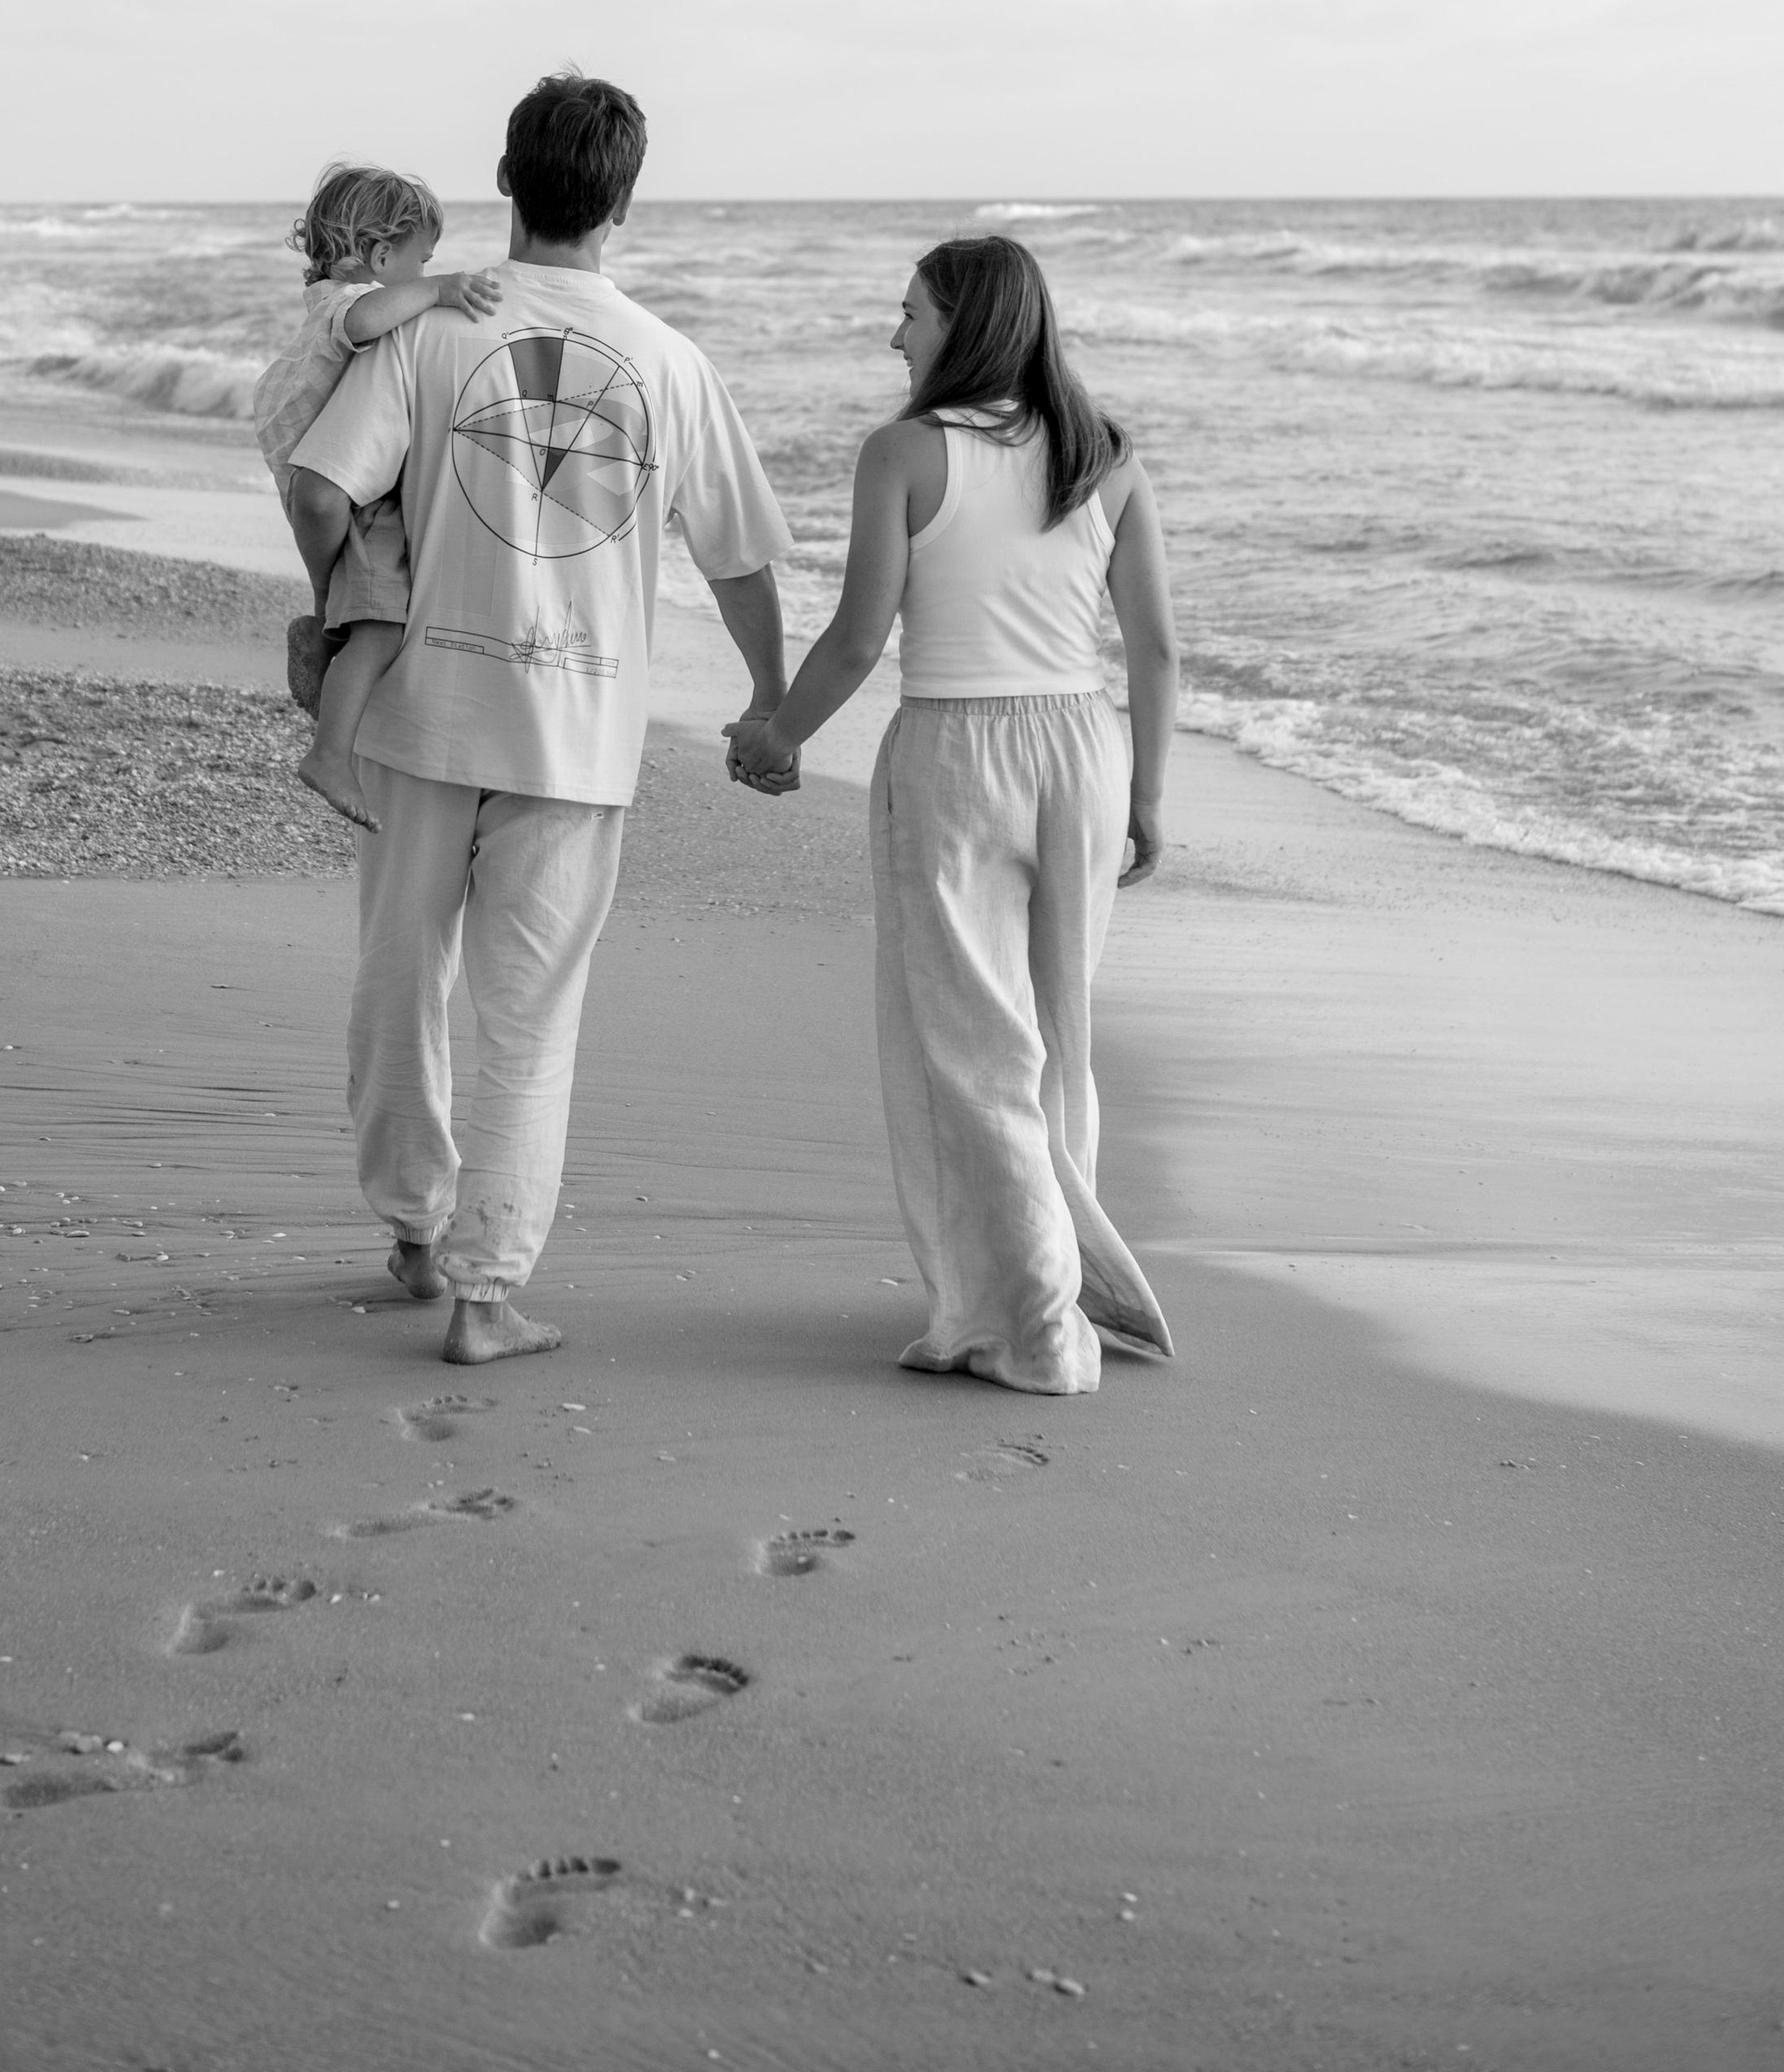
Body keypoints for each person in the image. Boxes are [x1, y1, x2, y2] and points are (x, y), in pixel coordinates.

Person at [286, 72, 795, 1367]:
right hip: (576, 734)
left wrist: (333, 609)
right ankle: (486, 1295)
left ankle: (413, 1232)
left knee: (400, 978)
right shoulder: (673, 363)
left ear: (506, 180)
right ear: (624, 202)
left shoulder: (428, 330)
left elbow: (324, 483)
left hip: (417, 712)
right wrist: (770, 697)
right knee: (530, 1018)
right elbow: (739, 561)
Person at [727, 232, 1176, 1396]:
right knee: (1058, 1038)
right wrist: (1146, 795)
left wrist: (778, 736)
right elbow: (1156, 648)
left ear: (962, 324)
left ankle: (1034, 1322)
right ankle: (1057, 1283)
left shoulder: (905, 453)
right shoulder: (1105, 453)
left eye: (912, 312)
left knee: (974, 1047)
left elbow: (860, 634)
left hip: (958, 748)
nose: (896, 334)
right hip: (1084, 748)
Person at [254, 163, 504, 829]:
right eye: (422, 261)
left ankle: (321, 638)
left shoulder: (323, 304)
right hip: (347, 489)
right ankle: (329, 753)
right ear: (380, 256)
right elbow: (369, 318)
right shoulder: (351, 304)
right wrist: (440, 292)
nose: (425, 275)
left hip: (327, 476)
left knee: (355, 608)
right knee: (381, 625)